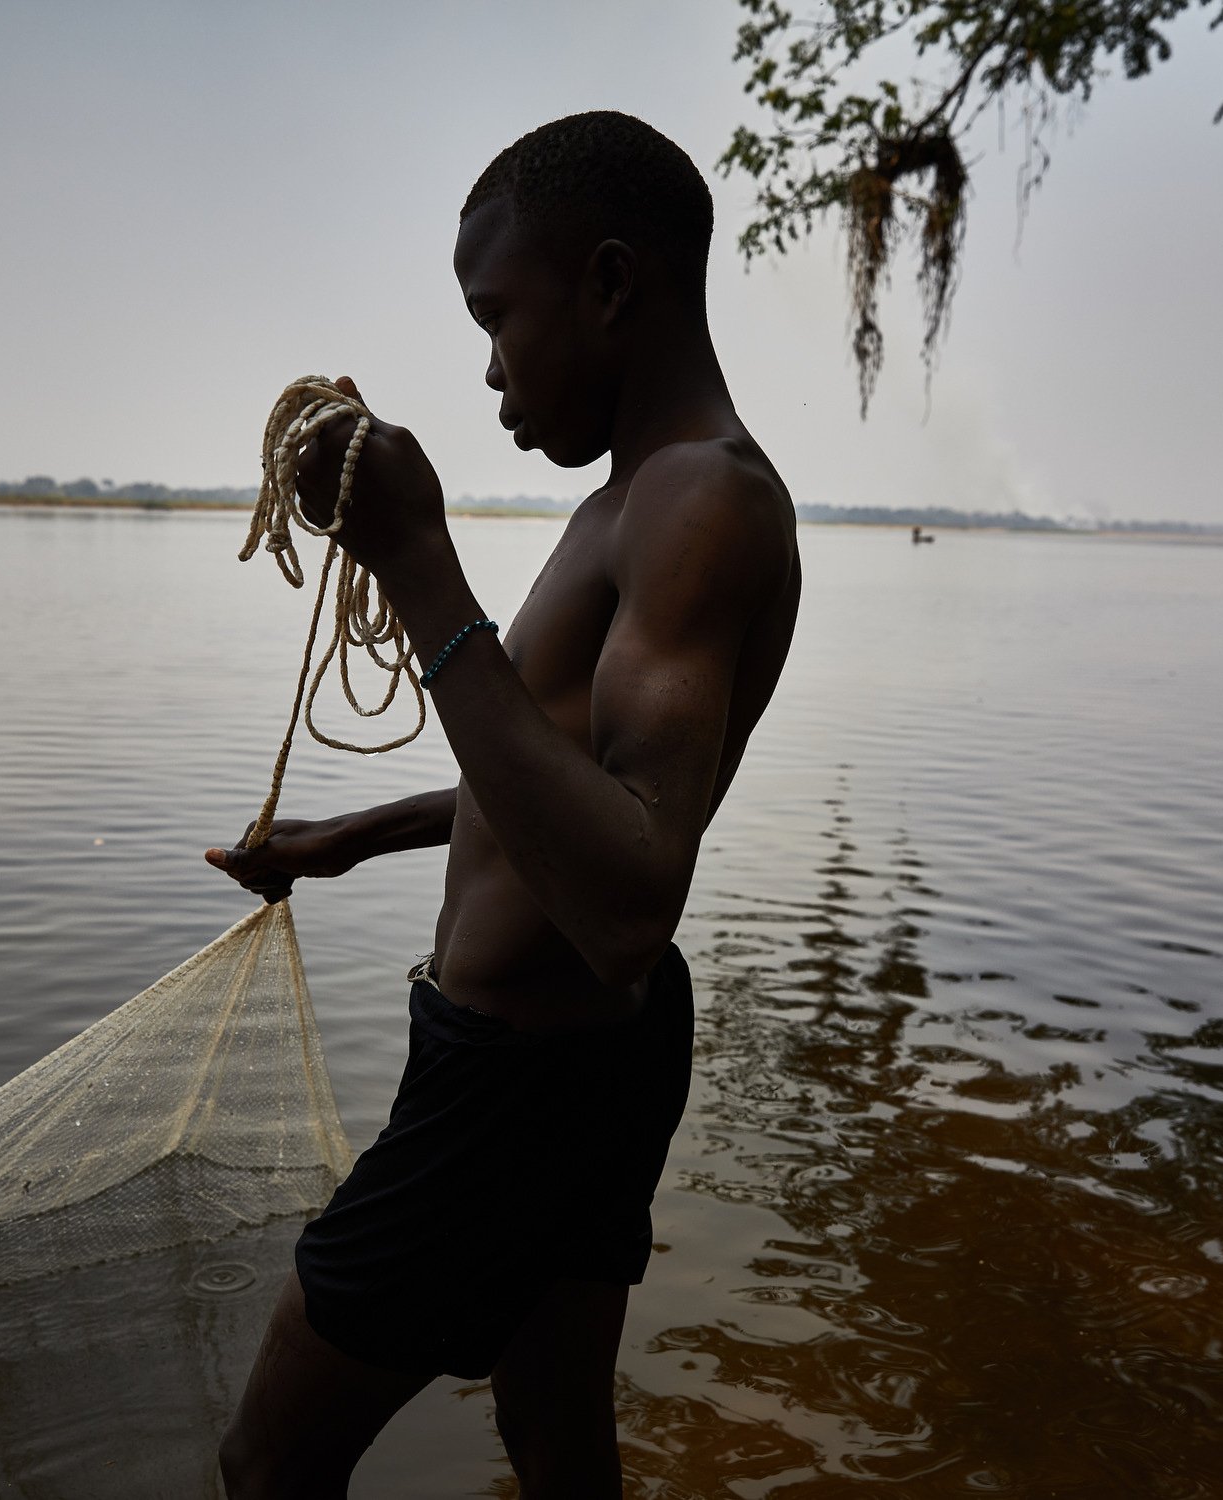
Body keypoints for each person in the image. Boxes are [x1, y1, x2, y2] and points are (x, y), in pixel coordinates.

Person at [207, 110, 800, 1499]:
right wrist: (341, 842)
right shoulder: (631, 503)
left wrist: (418, 565)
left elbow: (627, 900)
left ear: (608, 283)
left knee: (268, 1458)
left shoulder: (702, 503)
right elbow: (553, 790)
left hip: (518, 1081)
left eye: (499, 318)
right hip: (589, 1067)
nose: (490, 370)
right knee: (554, 1440)